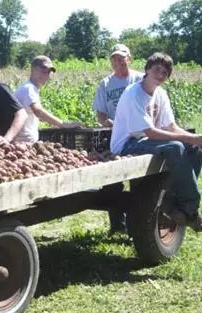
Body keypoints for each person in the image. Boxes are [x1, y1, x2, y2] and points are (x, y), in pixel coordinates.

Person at [111, 52, 202, 232]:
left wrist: (196, 140)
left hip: (148, 141)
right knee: (176, 147)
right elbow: (150, 133)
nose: (160, 75)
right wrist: (190, 138)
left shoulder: (160, 94)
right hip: (128, 144)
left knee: (196, 149)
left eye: (165, 72)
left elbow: (171, 127)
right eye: (157, 70)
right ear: (147, 70)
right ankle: (190, 209)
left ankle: (175, 203)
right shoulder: (133, 94)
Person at [93, 43, 144, 234]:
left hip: (140, 135)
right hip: (115, 136)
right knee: (113, 180)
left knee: (139, 179)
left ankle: (137, 225)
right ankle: (118, 225)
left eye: (122, 57)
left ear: (129, 58)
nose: (118, 61)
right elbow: (100, 113)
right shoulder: (106, 84)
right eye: (114, 58)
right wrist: (107, 122)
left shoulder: (139, 79)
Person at [14, 55, 81, 144]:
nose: (46, 75)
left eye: (48, 72)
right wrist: (62, 124)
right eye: (43, 71)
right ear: (33, 70)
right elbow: (38, 111)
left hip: (24, 142)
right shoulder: (29, 88)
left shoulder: (29, 88)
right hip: (23, 143)